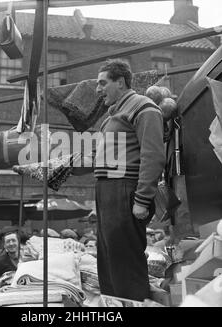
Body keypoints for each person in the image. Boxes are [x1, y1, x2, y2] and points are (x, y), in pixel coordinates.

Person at [74, 60, 165, 301]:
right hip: (107, 192)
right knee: (109, 263)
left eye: (102, 83)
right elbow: (99, 161)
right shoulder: (110, 117)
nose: (97, 89)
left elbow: (153, 155)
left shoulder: (144, 107)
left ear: (121, 82)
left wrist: (142, 199)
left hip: (125, 190)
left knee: (125, 265)